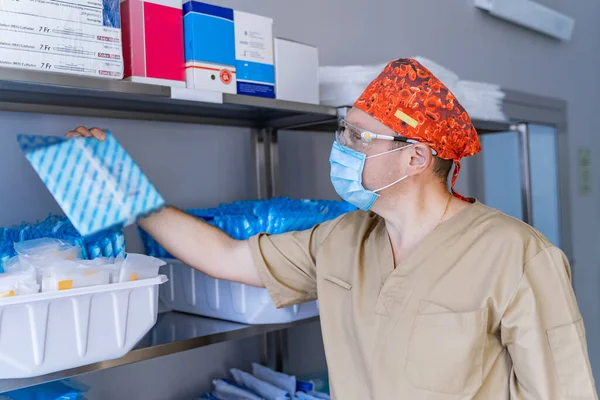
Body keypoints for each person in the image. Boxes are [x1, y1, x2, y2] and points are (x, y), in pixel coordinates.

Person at [66, 59, 597, 399]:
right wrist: (133, 199)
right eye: (344, 130)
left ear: (414, 157)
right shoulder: (344, 239)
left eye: (359, 137)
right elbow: (228, 258)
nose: (340, 147)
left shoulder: (516, 255)